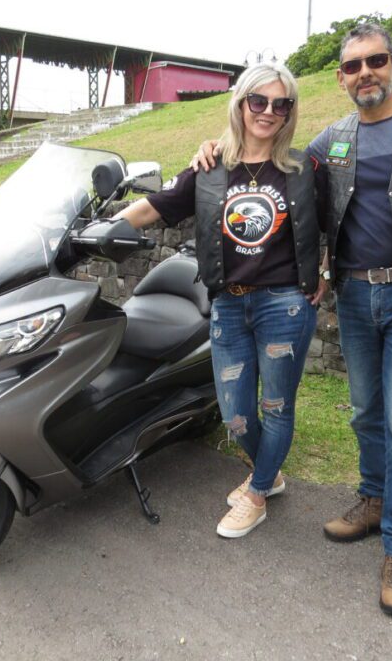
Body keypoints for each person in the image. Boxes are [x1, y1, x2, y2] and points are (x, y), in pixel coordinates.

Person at [193, 23, 392, 618]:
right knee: (365, 414)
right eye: (352, 66)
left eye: (375, 61)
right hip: (355, 297)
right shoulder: (331, 142)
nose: (365, 73)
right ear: (340, 77)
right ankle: (373, 500)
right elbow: (283, 179)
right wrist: (209, 152)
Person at [117, 62, 326, 539]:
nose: (268, 112)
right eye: (259, 101)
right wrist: (102, 229)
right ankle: (268, 473)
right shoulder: (209, 167)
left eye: (281, 104)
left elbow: (336, 225)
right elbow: (155, 206)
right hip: (228, 305)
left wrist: (326, 273)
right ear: (240, 103)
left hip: (284, 305)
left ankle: (256, 495)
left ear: (290, 112)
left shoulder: (303, 169)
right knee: (235, 413)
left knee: (276, 406)